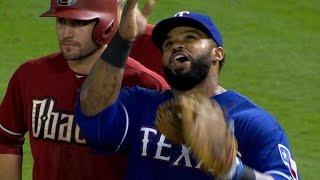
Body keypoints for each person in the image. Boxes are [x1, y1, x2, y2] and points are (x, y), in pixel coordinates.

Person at [75, 0, 299, 179]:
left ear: (217, 54)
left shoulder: (252, 123)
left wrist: (234, 171)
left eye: (190, 38)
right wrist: (123, 41)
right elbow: (92, 113)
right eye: (168, 44)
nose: (177, 45)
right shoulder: (142, 105)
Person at [0, 0, 169, 179]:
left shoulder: (146, 85)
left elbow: (169, 161)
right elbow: (6, 138)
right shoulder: (30, 75)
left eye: (78, 23)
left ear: (107, 24)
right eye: (61, 21)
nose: (66, 34)